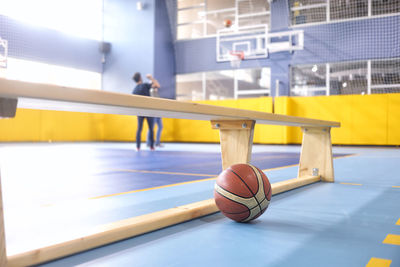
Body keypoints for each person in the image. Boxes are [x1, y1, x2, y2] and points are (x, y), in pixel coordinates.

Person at [132, 72, 160, 151]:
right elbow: (157, 85)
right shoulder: (144, 85)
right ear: (140, 78)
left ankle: (138, 147)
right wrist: (151, 78)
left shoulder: (134, 90)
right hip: (148, 110)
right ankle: (151, 146)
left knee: (139, 129)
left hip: (139, 111)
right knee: (151, 129)